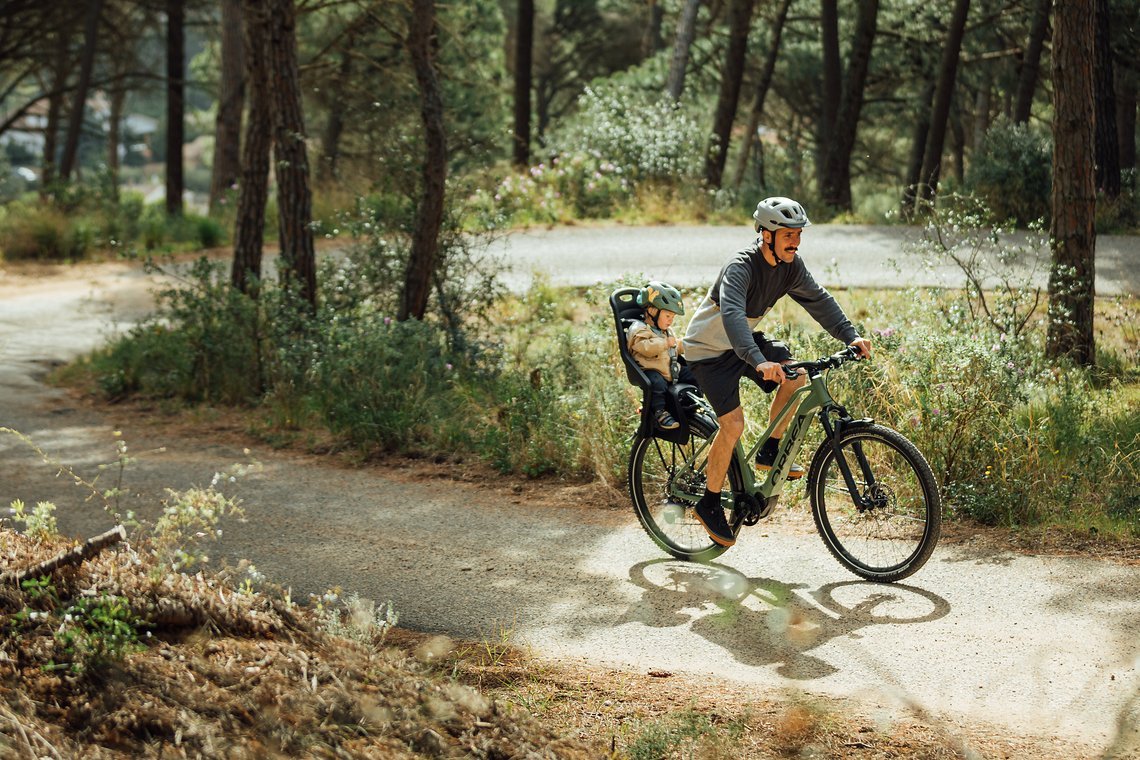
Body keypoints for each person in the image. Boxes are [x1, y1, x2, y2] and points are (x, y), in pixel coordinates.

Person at [681, 197, 872, 547]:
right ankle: (708, 502)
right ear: (766, 234)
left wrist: (851, 335)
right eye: (788, 235)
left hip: (742, 345)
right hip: (708, 351)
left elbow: (819, 300)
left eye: (798, 234)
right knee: (733, 425)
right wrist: (757, 360)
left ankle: (771, 447)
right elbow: (733, 316)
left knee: (796, 375)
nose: (795, 241)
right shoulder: (740, 267)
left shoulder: (790, 266)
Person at [627, 281, 699, 431]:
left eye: (672, 317)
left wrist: (686, 345)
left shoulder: (665, 330)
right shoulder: (639, 330)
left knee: (695, 374)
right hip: (653, 370)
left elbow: (674, 348)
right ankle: (660, 413)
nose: (670, 320)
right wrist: (665, 343)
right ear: (652, 311)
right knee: (657, 384)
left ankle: (691, 402)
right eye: (667, 315)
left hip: (670, 368)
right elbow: (645, 348)